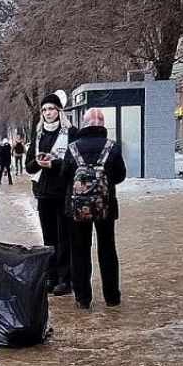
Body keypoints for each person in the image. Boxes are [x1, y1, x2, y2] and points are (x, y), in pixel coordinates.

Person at [60, 108, 127, 309]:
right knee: (107, 250)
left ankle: (82, 298)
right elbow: (120, 175)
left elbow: (64, 176)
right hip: (104, 207)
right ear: (102, 123)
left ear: (84, 122)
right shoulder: (112, 147)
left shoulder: (72, 148)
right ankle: (112, 297)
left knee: (79, 252)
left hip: (76, 209)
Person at [25, 91, 78, 296]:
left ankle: (66, 279)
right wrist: (37, 162)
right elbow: (29, 166)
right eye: (45, 110)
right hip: (43, 193)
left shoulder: (71, 133)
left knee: (64, 238)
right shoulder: (38, 135)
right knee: (48, 238)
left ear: (59, 111)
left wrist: (54, 164)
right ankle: (52, 276)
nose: (48, 113)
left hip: (63, 192)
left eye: (52, 109)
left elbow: (74, 163)